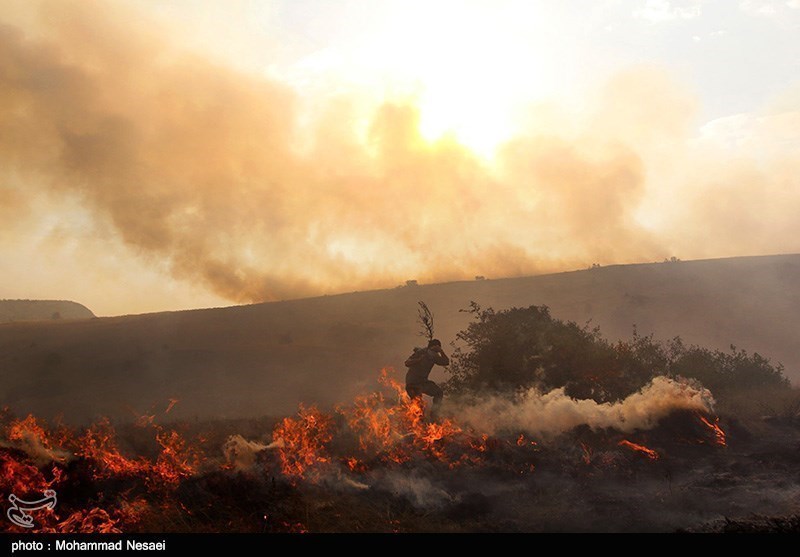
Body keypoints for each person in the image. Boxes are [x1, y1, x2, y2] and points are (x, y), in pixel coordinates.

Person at [404, 338, 449, 412]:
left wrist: (441, 351)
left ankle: (434, 415)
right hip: (413, 383)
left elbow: (446, 362)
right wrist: (418, 360)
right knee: (419, 408)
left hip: (422, 382)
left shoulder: (434, 356)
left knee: (438, 393)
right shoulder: (421, 352)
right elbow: (407, 363)